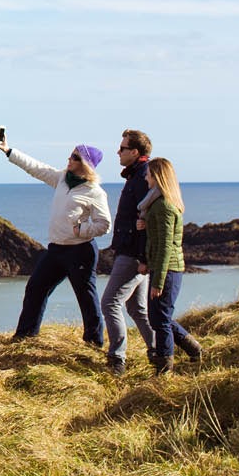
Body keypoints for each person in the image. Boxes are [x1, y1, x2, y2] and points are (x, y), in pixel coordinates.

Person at [0, 134, 111, 343]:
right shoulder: (62, 179)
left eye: (75, 156)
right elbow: (36, 168)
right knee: (35, 288)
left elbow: (104, 224)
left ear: (85, 164)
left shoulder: (95, 192)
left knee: (86, 297)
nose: (69, 159)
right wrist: (8, 151)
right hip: (56, 249)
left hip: (80, 251)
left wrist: (81, 229)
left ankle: (94, 342)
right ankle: (25, 336)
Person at [101, 129, 156, 375]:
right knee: (137, 309)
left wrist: (143, 258)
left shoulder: (143, 176)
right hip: (132, 251)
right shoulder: (137, 174)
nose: (118, 152)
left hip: (133, 254)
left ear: (135, 152)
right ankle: (159, 351)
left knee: (110, 302)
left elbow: (147, 219)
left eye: (122, 148)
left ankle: (117, 358)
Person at [140, 157, 201, 374]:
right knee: (158, 317)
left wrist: (158, 281)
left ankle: (165, 367)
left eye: (148, 173)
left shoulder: (164, 206)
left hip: (169, 269)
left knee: (161, 320)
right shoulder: (157, 204)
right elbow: (156, 239)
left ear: (157, 177)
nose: (145, 177)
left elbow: (166, 246)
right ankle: (193, 349)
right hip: (162, 268)